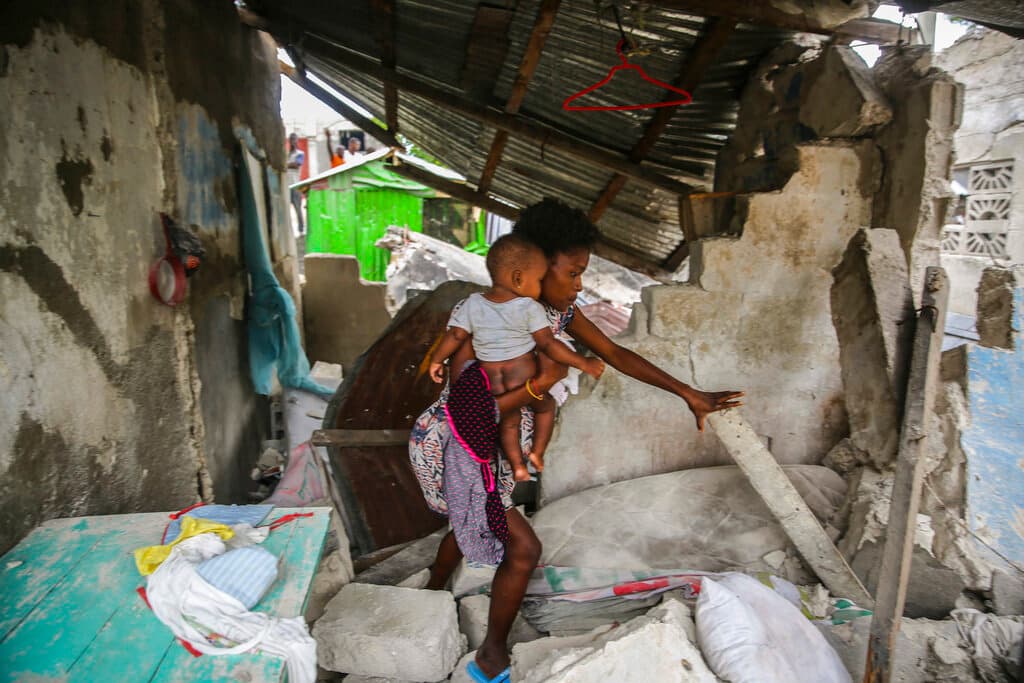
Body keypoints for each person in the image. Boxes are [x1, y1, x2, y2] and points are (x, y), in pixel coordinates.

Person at [409, 198, 744, 683]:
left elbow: (613, 352)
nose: (580, 284)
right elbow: (471, 412)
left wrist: (688, 394)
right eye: (572, 273)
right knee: (523, 550)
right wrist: (537, 387)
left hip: (492, 450)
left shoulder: (555, 316)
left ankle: (432, 593)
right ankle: (492, 656)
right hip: (457, 448)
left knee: (472, 523)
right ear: (535, 271)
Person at [428, 235, 605, 482]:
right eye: (538, 280)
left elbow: (456, 335)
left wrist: (436, 361)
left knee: (509, 425)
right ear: (519, 278)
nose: (540, 286)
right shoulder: (529, 308)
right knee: (546, 407)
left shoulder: (473, 304)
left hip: (493, 383)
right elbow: (548, 344)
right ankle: (537, 453)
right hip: (522, 379)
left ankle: (517, 466)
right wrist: (582, 362)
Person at [286, 133, 306, 234]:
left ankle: (301, 229)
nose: (293, 141)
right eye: (291, 139)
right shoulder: (286, 154)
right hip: (286, 186)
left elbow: (297, 165)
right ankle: (288, 231)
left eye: (294, 139)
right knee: (286, 209)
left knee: (297, 208)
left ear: (297, 140)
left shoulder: (300, 153)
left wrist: (285, 165)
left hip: (295, 185)